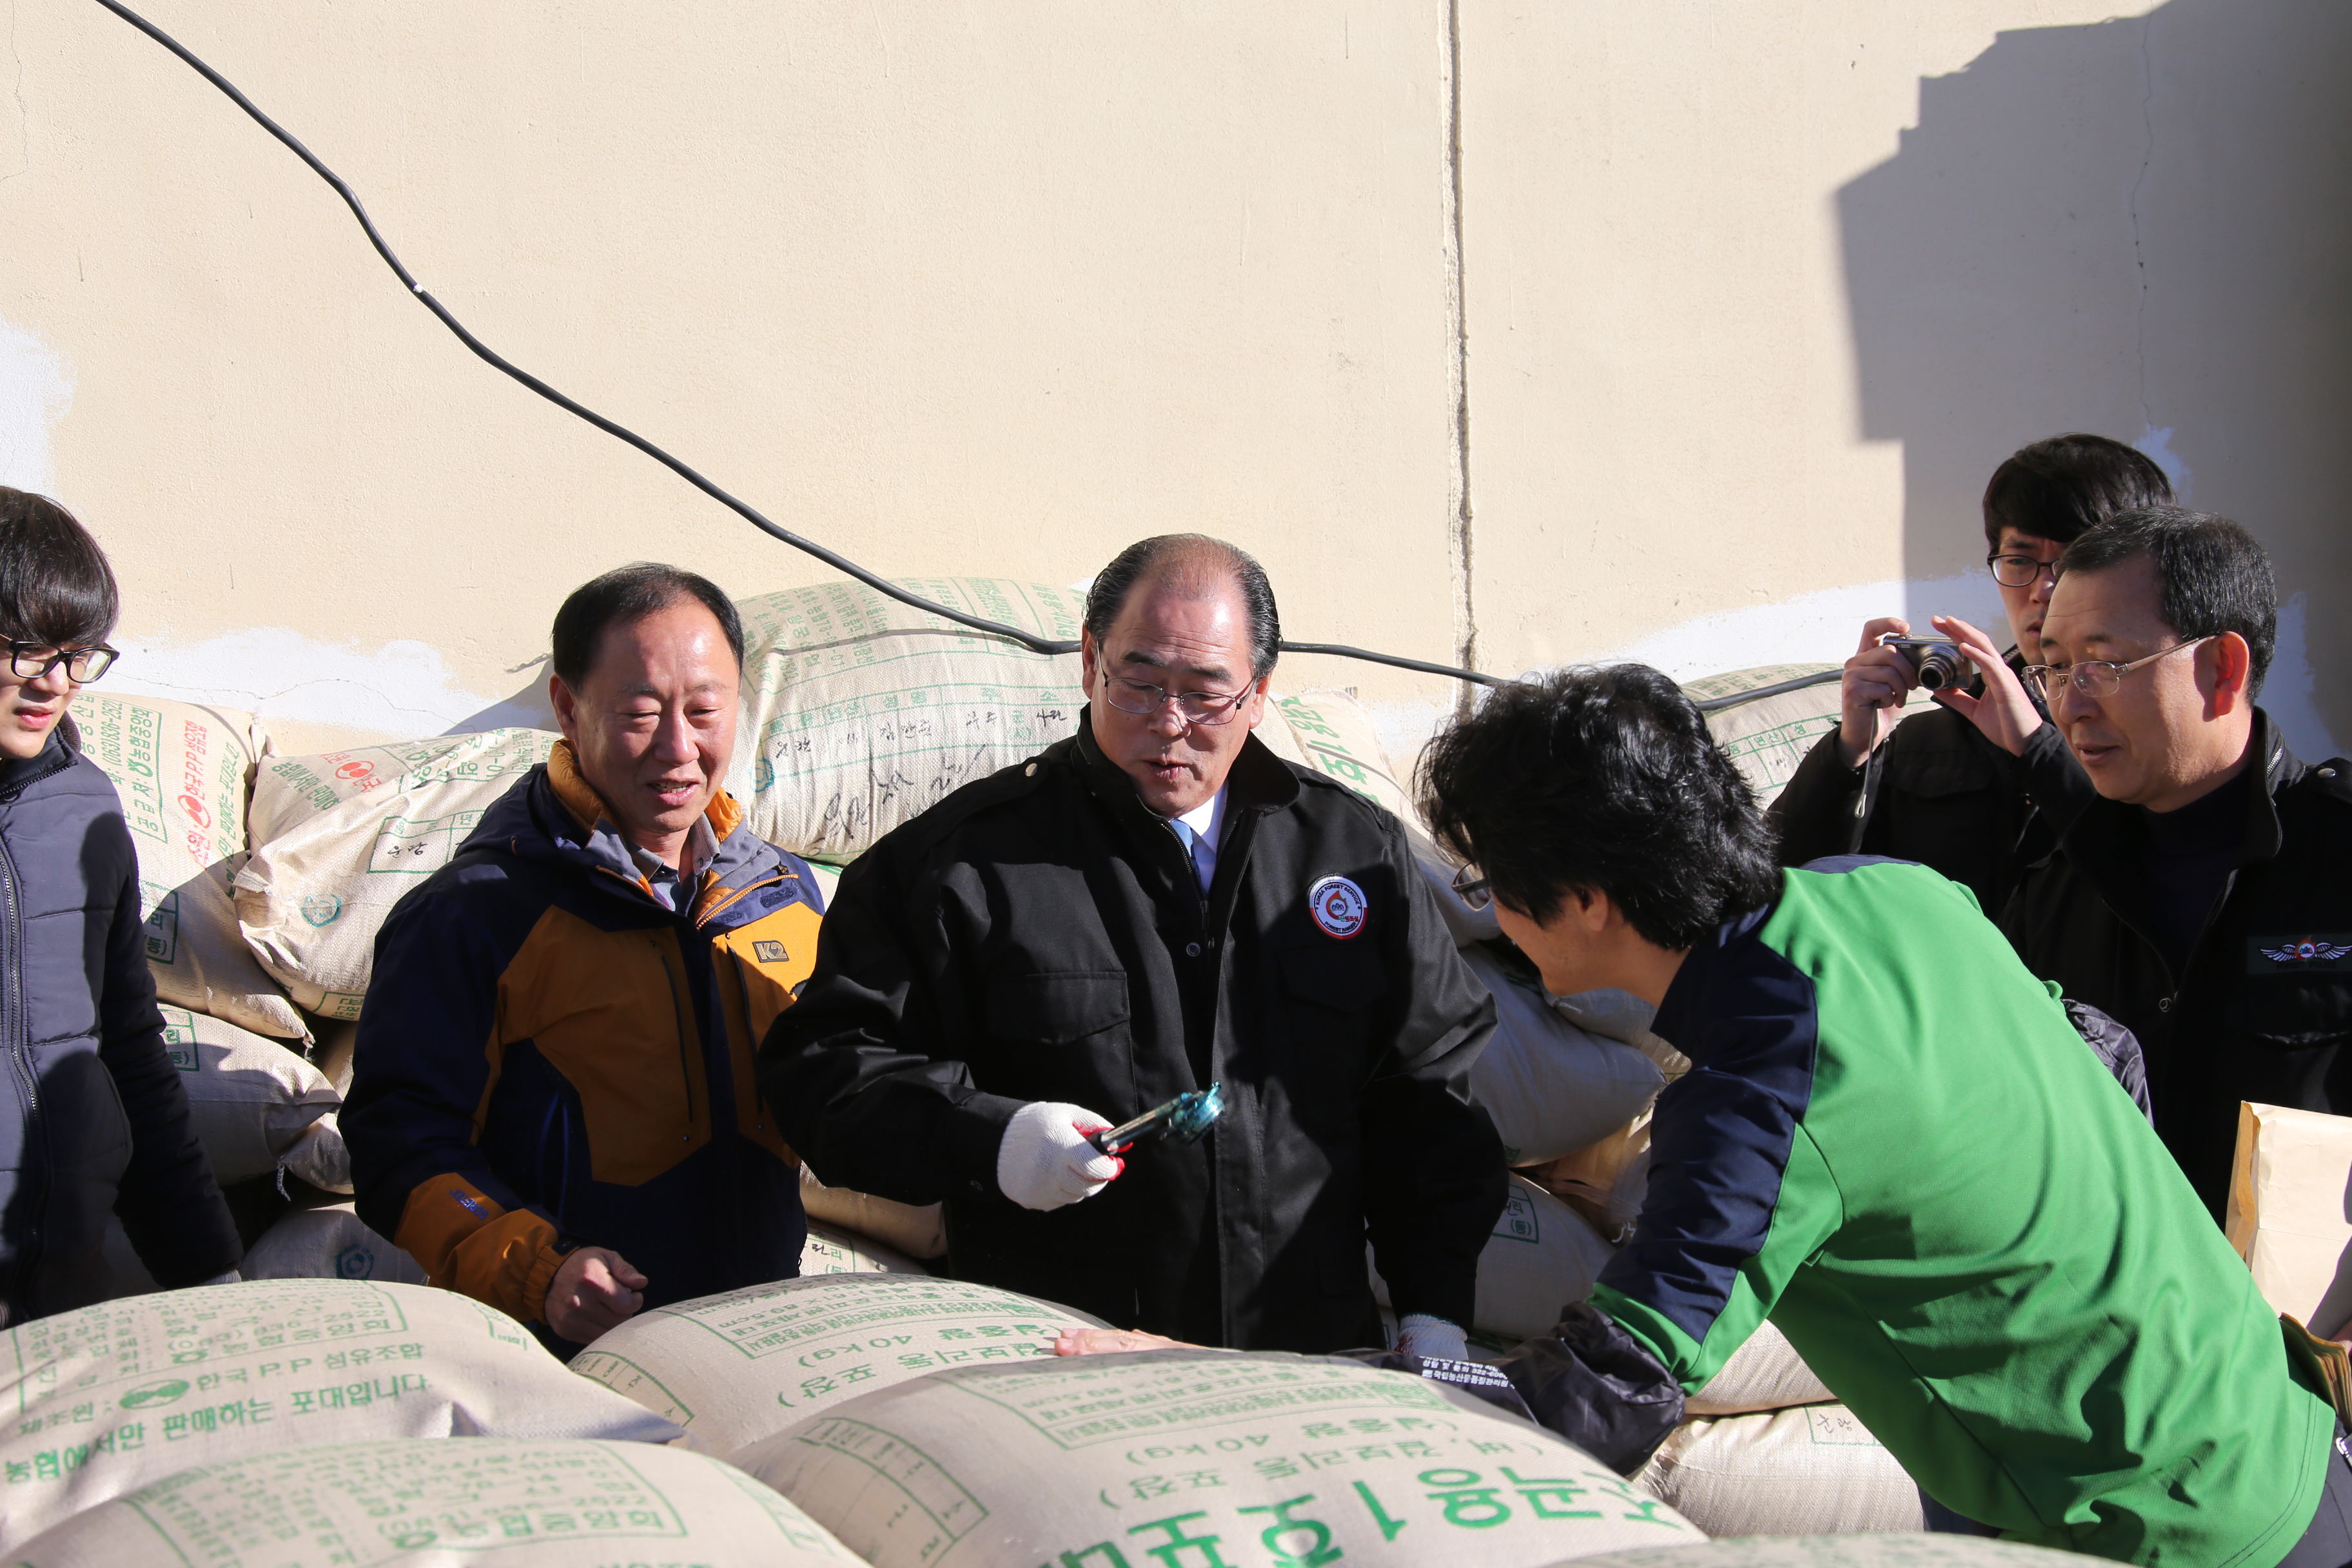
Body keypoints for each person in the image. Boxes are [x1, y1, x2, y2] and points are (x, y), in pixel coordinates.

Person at [1416, 662, 2345, 1563]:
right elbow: (2104, 1045)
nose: (1492, 910)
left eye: (1492, 885)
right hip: (2284, 1429)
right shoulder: (1897, 892)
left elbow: (1618, 1383)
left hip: (2161, 1533)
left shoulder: (1760, 1095)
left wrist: (1399, 1409)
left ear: (1583, 901)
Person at [760, 534, 1505, 1355]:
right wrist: (992, 1138)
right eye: (1141, 682)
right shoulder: (963, 866)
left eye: (1206, 694)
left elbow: (1430, 1094)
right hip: (1065, 1370)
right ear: (1089, 662)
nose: (1170, 723)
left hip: (1305, 1358)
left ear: (1259, 694)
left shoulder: (1349, 852)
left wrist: (1436, 1310)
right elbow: (823, 1072)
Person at [344, 564, 827, 1350]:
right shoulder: (478, 915)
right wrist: (543, 1271)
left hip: (753, 1340)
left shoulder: (780, 890)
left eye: (706, 710)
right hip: (561, 1351)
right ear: (568, 709)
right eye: (640, 712)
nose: (679, 748)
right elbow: (398, 1145)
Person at [2001, 507, 2352, 1219]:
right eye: (2055, 669)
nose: (2070, 706)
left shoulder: (2338, 854)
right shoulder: (2057, 887)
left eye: (2103, 665)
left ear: (2222, 668)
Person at [0, 488, 240, 1324]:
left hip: (55, 1291)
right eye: (28, 650)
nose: (57, 682)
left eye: (79, 653)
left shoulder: (84, 814)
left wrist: (206, 1270)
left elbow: (130, 1051)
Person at [1773, 433, 2170, 915]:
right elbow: (1781, 890)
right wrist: (1852, 753)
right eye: (2021, 561)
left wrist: (2037, 751)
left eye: (2074, 562)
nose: (2044, 589)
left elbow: (2164, 883)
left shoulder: (2169, 733)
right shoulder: (1927, 740)